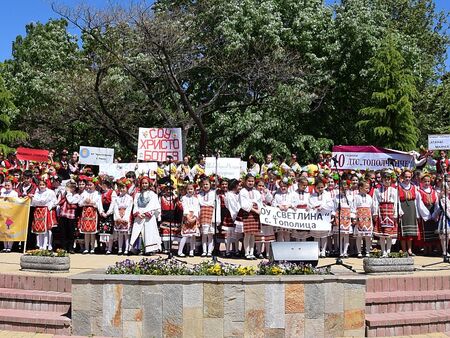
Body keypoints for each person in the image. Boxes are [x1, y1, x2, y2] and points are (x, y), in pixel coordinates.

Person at [398, 169, 430, 256]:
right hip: (403, 208)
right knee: (403, 232)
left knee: (410, 232)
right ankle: (404, 250)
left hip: (412, 208)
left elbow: (417, 201)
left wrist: (418, 214)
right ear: (402, 177)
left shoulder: (414, 187)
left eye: (409, 177)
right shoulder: (399, 187)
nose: (407, 179)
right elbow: (397, 200)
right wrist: (399, 211)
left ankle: (409, 250)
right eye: (406, 177)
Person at [129, 177, 161, 255]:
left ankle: (150, 249)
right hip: (139, 216)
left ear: (149, 184)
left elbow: (155, 206)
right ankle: (137, 249)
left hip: (148, 218)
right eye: (143, 183)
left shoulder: (153, 194)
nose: (144, 185)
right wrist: (137, 213)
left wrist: (147, 213)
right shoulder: (137, 195)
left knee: (149, 233)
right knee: (138, 233)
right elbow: (135, 205)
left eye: (146, 183)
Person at [373, 172, 401, 257]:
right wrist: (375, 213)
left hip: (391, 212)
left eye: (388, 179)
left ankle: (388, 250)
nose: (387, 181)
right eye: (385, 179)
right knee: (382, 234)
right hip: (381, 212)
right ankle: (383, 251)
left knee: (389, 235)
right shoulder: (377, 190)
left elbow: (396, 202)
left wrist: (396, 213)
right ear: (382, 180)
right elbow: (375, 202)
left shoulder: (394, 190)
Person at [238, 174, 262, 260]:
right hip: (248, 214)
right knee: (247, 234)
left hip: (256, 214)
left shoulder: (256, 192)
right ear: (245, 181)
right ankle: (246, 253)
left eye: (252, 181)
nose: (251, 183)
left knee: (253, 234)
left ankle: (252, 253)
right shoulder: (243, 191)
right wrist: (254, 210)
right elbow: (244, 205)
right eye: (249, 181)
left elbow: (259, 202)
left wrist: (259, 210)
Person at [309, 179, 333, 257]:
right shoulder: (312, 195)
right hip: (316, 217)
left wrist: (322, 206)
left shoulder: (327, 194)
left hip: (324, 216)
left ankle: (323, 251)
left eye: (321, 187)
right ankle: (317, 251)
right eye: (318, 187)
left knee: (324, 235)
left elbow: (331, 205)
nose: (320, 189)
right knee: (316, 235)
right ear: (315, 187)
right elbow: (310, 204)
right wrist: (314, 207)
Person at [31, 180, 58, 251]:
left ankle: (48, 245)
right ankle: (40, 245)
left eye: (43, 185)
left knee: (47, 229)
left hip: (47, 211)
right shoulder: (37, 193)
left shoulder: (50, 192)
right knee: (39, 229)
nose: (42, 186)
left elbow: (54, 202)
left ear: (46, 185)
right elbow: (34, 203)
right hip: (38, 211)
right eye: (40, 185)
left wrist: (49, 207)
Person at [78, 177, 103, 254]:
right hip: (85, 213)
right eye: (88, 185)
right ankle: (86, 248)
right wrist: (85, 202)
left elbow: (99, 204)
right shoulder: (84, 193)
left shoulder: (97, 193)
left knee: (92, 232)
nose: (88, 186)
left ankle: (92, 248)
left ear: (94, 185)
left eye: (90, 185)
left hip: (93, 213)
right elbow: (79, 203)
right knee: (86, 232)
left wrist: (92, 203)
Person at [198, 177, 220, 257]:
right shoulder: (199, 194)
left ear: (210, 185)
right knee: (204, 234)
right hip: (203, 214)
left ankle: (210, 251)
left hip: (211, 214)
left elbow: (215, 205)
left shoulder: (214, 193)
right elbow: (199, 203)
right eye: (204, 184)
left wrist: (216, 218)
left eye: (207, 184)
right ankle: (204, 251)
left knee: (210, 234)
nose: (205, 186)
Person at [332, 180, 354, 257]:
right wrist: (333, 217)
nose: (343, 190)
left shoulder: (350, 197)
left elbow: (352, 208)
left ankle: (345, 251)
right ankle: (340, 251)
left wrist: (352, 217)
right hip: (339, 216)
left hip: (347, 217)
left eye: (345, 189)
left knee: (346, 235)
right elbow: (334, 208)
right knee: (340, 235)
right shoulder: (336, 197)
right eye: (341, 189)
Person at [57, 180, 79, 253]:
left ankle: (71, 248)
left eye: (72, 187)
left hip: (71, 216)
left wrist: (68, 193)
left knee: (71, 232)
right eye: (69, 187)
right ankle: (63, 247)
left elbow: (71, 201)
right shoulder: (63, 194)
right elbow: (58, 202)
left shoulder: (76, 195)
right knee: (63, 232)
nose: (70, 188)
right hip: (63, 214)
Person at [353, 181, 375, 258]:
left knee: (368, 236)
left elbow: (372, 208)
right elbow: (353, 207)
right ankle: (359, 252)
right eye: (366, 188)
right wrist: (354, 218)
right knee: (359, 236)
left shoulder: (369, 197)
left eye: (368, 188)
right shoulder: (356, 197)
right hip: (359, 218)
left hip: (368, 218)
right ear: (360, 188)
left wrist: (373, 215)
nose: (367, 190)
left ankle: (367, 251)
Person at [178, 183, 200, 257]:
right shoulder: (184, 198)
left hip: (193, 217)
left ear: (194, 190)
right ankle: (180, 251)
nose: (190, 190)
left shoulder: (196, 199)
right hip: (186, 217)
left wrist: (195, 217)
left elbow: (197, 208)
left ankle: (191, 251)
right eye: (188, 189)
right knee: (185, 235)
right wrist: (187, 216)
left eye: (191, 189)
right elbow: (184, 206)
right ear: (186, 190)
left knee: (193, 235)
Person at [255, 179, 274, 258]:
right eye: (259, 186)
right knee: (260, 234)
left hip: (266, 215)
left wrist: (267, 192)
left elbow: (270, 200)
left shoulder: (265, 193)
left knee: (267, 234)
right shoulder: (255, 193)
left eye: (262, 186)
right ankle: (259, 251)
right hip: (259, 215)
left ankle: (267, 253)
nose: (261, 187)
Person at [113, 180, 134, 255]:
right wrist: (117, 217)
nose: (122, 189)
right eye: (120, 188)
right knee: (120, 233)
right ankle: (120, 249)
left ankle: (126, 249)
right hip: (119, 215)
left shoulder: (130, 198)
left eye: (124, 188)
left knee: (126, 234)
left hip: (126, 216)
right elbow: (115, 207)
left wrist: (125, 218)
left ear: (127, 188)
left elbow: (129, 208)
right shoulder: (117, 198)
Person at [224, 179, 242, 257]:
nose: (240, 187)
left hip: (237, 214)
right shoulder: (229, 195)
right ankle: (227, 250)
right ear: (235, 186)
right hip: (231, 215)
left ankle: (236, 250)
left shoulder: (237, 194)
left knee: (236, 235)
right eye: (238, 185)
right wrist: (235, 216)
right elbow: (231, 206)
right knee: (229, 234)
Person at [99, 178, 117, 254]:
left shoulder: (112, 193)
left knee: (109, 231)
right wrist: (101, 211)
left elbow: (113, 203)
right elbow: (99, 203)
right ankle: (106, 246)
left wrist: (108, 212)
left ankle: (110, 248)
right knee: (104, 231)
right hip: (103, 212)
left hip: (109, 213)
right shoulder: (101, 193)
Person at [0, 179, 19, 252]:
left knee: (10, 230)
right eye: (6, 185)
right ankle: (5, 246)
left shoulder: (14, 193)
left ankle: (10, 247)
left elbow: (16, 202)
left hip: (11, 213)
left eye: (9, 185)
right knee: (4, 230)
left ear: (12, 185)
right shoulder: (3, 193)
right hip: (4, 213)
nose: (7, 187)